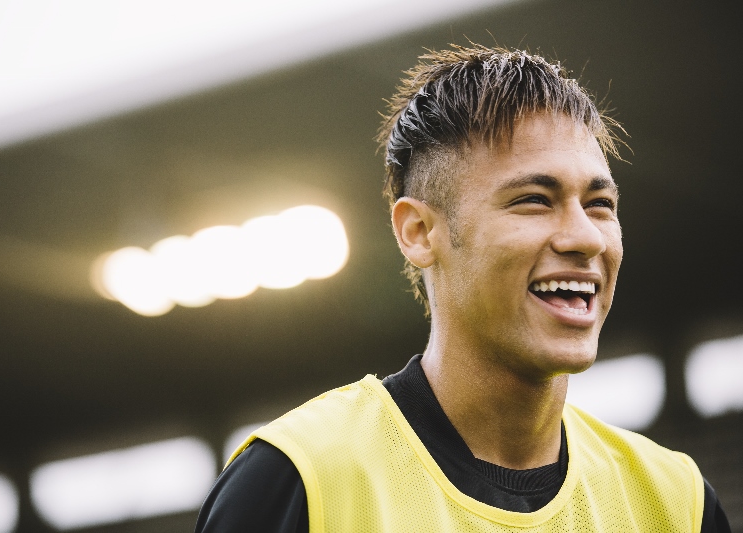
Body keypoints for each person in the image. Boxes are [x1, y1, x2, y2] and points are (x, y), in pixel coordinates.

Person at [195, 44, 730, 532]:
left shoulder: (677, 503)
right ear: (419, 232)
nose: (586, 237)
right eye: (534, 200)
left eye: (600, 205)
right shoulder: (300, 479)